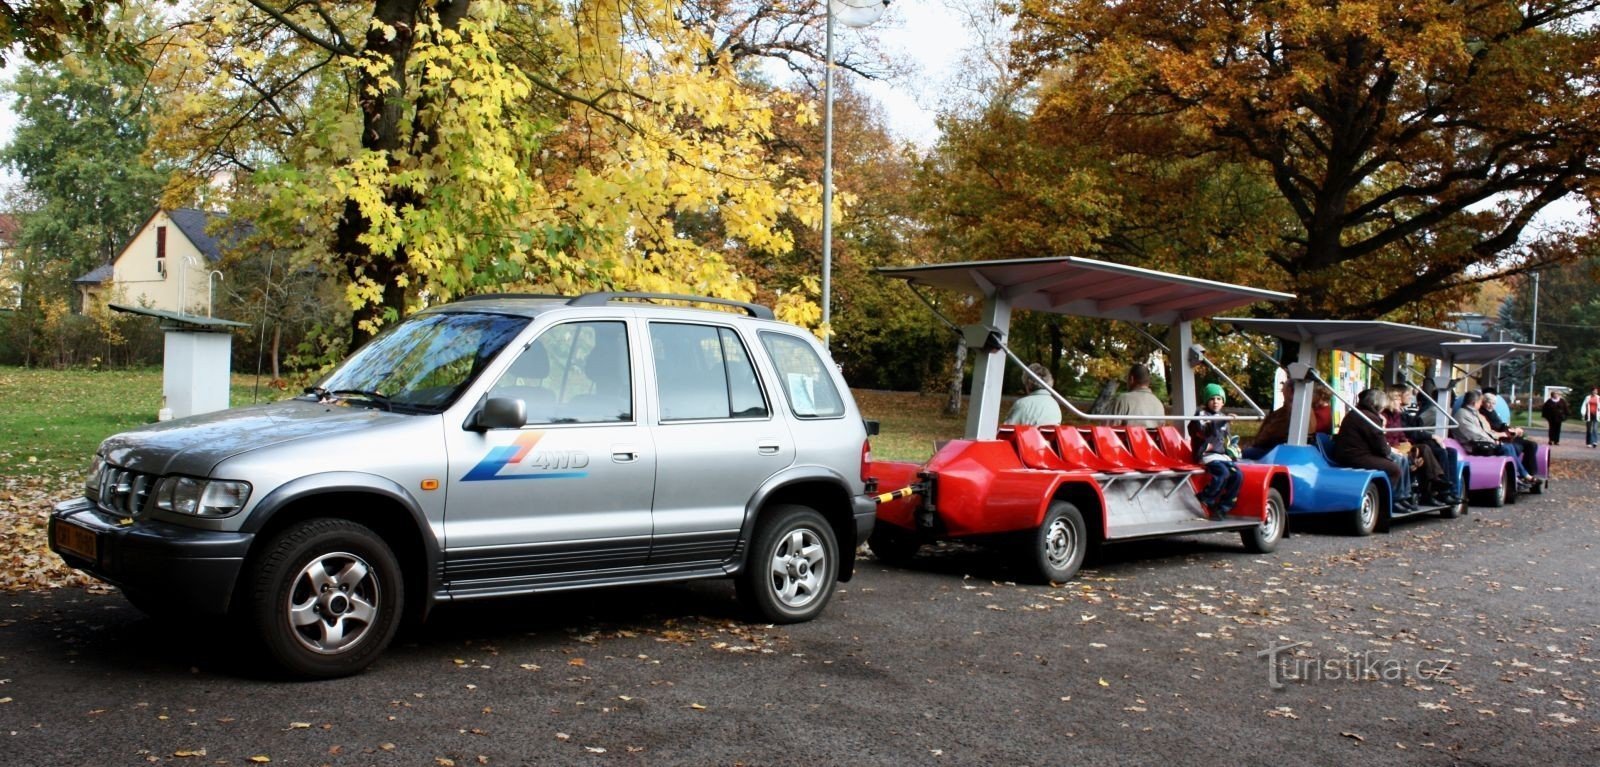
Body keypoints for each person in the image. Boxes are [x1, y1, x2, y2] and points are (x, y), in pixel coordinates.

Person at [1334, 388, 1415, 511]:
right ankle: (1394, 499)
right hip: (1355, 456)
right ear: (1377, 404)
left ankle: (1402, 497)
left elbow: (1378, 442)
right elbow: (1380, 445)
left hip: (1354, 453)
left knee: (1400, 458)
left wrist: (1390, 451)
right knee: (1395, 467)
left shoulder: (1361, 413)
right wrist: (1390, 451)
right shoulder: (1368, 417)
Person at [1383, 385, 1453, 506]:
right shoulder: (1387, 416)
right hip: (1395, 447)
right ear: (1390, 400)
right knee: (1426, 450)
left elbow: (1401, 433)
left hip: (1403, 444)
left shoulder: (1398, 414)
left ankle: (1440, 486)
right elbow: (1403, 432)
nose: (1401, 401)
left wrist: (1406, 443)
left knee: (1443, 451)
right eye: (1398, 399)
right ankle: (1436, 485)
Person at [1453, 391, 1534, 488]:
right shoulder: (1463, 415)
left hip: (1481, 443)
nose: (1481, 405)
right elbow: (1474, 434)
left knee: (1509, 447)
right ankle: (1523, 476)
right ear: (1474, 403)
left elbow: (1486, 431)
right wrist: (1493, 440)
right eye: (1480, 402)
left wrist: (1498, 436)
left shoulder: (1472, 413)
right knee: (1506, 448)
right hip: (1474, 446)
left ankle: (1520, 476)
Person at [1187, 383, 1241, 518]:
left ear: (1223, 401)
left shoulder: (1222, 417)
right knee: (1222, 473)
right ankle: (1206, 496)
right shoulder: (1201, 414)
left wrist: (1232, 449)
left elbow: (1225, 439)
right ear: (1206, 401)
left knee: (1237, 475)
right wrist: (1222, 421)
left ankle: (1224, 506)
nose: (1215, 402)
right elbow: (1203, 431)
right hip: (1207, 454)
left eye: (1218, 398)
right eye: (1212, 399)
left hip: (1221, 455)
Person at [1480, 390, 1537, 477]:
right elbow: (1493, 429)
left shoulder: (1492, 412)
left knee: (1532, 444)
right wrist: (1510, 432)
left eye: (1493, 403)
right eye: (1489, 403)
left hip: (1506, 435)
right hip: (1501, 438)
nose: (1491, 405)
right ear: (1483, 402)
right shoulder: (1483, 413)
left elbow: (1501, 425)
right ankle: (1526, 475)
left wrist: (1513, 430)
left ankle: (1531, 473)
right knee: (1523, 445)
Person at [1242, 379, 1295, 460]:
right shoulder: (1283, 412)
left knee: (1247, 452)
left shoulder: (1287, 413)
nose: (1281, 391)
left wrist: (1255, 443)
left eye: (1283, 389)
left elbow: (1270, 434)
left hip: (1274, 451)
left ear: (1290, 391)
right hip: (1277, 448)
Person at [1108, 363, 1166, 428]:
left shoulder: (1123, 400)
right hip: (1152, 438)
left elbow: (1109, 429)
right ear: (1148, 381)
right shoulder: (1158, 403)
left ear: (1131, 379)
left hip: (1127, 438)